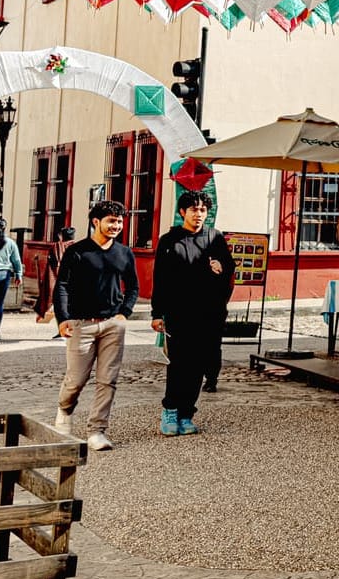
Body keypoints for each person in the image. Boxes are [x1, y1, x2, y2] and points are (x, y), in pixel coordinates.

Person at [53, 200, 138, 451]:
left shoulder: (124, 253)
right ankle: (64, 411)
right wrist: (63, 318)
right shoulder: (77, 251)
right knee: (76, 380)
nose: (116, 226)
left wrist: (124, 313)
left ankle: (96, 431)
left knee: (108, 380)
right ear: (96, 222)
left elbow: (133, 287)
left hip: (113, 324)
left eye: (120, 221)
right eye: (111, 221)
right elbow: (62, 286)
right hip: (82, 324)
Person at [151, 192, 235, 437]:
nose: (198, 215)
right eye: (193, 210)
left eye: (202, 211)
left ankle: (187, 413)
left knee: (199, 364)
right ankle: (170, 410)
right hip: (179, 311)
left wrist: (222, 268)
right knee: (179, 363)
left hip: (209, 312)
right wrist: (158, 313)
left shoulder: (215, 237)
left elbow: (229, 266)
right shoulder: (169, 240)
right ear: (182, 213)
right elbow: (161, 278)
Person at [35, 226, 78, 326]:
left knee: (60, 306)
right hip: (75, 280)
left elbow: (52, 267)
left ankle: (63, 328)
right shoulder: (79, 247)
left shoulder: (56, 247)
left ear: (61, 236)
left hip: (60, 280)